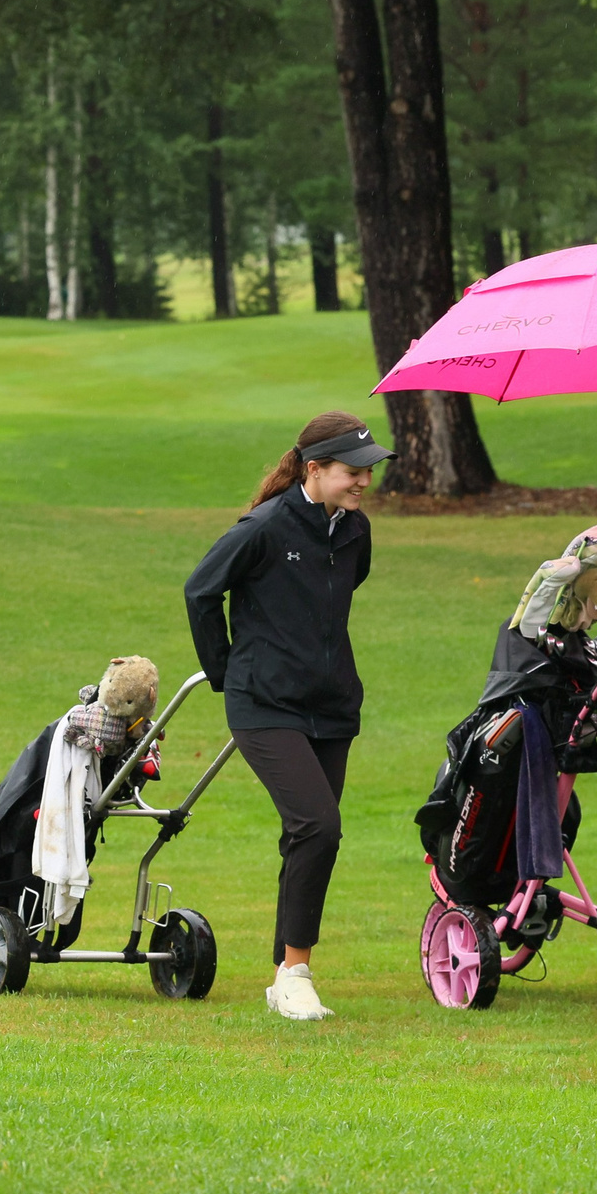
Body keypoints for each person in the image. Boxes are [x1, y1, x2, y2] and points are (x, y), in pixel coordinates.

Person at [183, 410, 391, 1020]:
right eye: (353, 471)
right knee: (319, 827)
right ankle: (297, 972)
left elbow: (335, 599)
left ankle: (283, 975)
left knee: (307, 837)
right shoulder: (265, 527)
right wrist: (227, 673)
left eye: (368, 471)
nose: (364, 482)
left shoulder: (356, 531)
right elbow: (201, 590)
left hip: (332, 706)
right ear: (315, 469)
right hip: (264, 704)